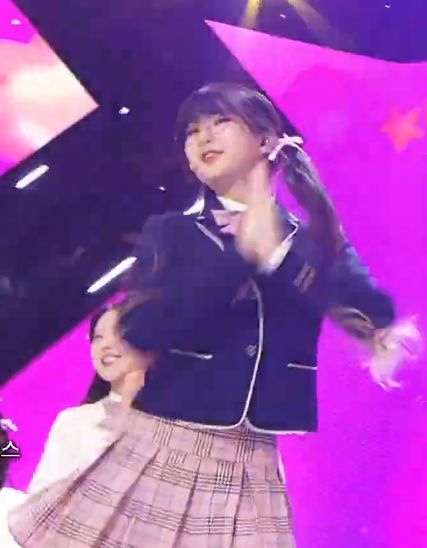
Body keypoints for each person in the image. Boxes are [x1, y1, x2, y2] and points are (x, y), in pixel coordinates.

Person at [9, 83, 403, 547]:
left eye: (220, 122)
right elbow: (143, 328)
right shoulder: (173, 233)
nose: (203, 137)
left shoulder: (311, 240)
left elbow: (374, 308)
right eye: (192, 132)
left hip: (253, 456)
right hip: (164, 439)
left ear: (265, 140)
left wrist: (276, 255)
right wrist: (241, 255)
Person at [26, 305, 149, 495]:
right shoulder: (75, 421)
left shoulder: (176, 422)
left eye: (119, 333)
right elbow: (40, 496)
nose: (105, 345)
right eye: (98, 337)